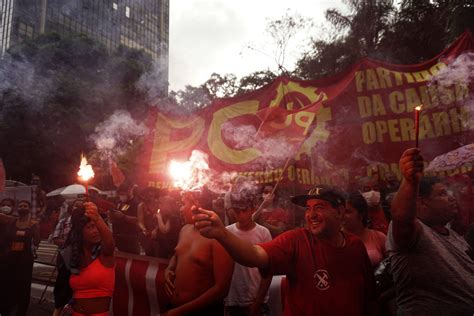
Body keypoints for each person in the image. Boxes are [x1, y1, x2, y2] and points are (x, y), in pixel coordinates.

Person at [194, 185, 376, 316]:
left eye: (319, 208)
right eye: (308, 208)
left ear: (340, 211)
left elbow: (369, 298)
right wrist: (222, 235)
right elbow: (255, 255)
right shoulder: (296, 241)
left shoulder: (355, 247)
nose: (311, 215)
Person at [387, 148, 474, 315]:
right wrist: (410, 182)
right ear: (421, 203)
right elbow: (401, 217)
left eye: (448, 192)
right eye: (442, 194)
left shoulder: (451, 234)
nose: (451, 197)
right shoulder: (415, 233)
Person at [163, 190, 234, 316]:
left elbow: (222, 289)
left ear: (196, 204)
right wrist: (169, 268)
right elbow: (178, 254)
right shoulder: (184, 230)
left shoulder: (219, 237)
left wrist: (179, 312)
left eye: (183, 203)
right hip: (174, 307)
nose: (180, 209)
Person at [225, 190, 273, 316]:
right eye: (236, 211)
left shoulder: (263, 233)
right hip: (233, 301)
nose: (240, 215)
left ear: (253, 209)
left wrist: (258, 303)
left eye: (244, 210)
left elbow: (268, 272)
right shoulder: (226, 233)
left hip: (257, 301)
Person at [64, 201, 115, 316]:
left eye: (97, 227)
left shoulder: (105, 254)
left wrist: (97, 219)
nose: (96, 231)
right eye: (90, 227)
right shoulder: (72, 256)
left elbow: (109, 242)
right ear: (80, 231)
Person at [0, 200, 40, 316]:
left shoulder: (33, 223)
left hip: (25, 260)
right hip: (11, 259)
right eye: (21, 206)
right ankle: (6, 309)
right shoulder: (12, 222)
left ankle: (21, 312)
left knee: (23, 286)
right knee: (9, 284)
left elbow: (37, 241)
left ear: (29, 209)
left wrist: (35, 228)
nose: (23, 207)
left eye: (25, 206)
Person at [51, 198, 83, 316]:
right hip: (65, 260)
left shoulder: (86, 223)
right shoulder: (64, 221)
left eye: (81, 206)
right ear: (71, 208)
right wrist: (70, 243)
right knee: (62, 288)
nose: (78, 208)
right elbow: (56, 238)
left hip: (81, 261)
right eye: (76, 206)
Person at [343, 191, 387, 267]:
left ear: (361, 214)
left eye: (348, 212)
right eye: (340, 211)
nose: (342, 215)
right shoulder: (336, 239)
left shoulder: (378, 237)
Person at [110, 184, 140, 254]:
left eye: (123, 194)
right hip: (118, 236)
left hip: (130, 238)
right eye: (120, 194)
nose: (121, 196)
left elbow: (138, 220)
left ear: (129, 191)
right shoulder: (119, 203)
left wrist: (124, 216)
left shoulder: (136, 203)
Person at [137, 187, 160, 256]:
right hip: (147, 234)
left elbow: (161, 219)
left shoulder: (159, 204)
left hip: (159, 232)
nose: (149, 194)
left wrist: (156, 229)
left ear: (155, 193)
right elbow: (140, 221)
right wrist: (144, 229)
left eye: (151, 192)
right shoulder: (141, 206)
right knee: (149, 253)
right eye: (147, 193)